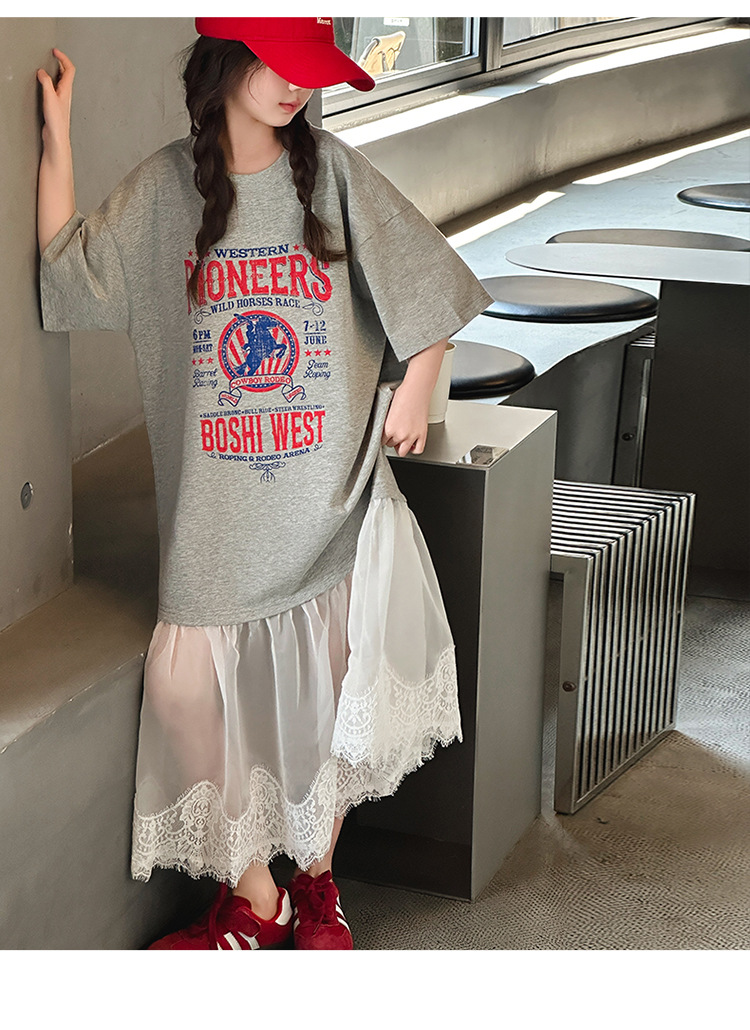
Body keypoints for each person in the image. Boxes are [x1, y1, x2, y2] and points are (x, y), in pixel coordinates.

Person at [37, 16, 492, 951]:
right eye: (279, 63)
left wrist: (419, 381)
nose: (296, 86)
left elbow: (430, 287)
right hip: (217, 518)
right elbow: (69, 273)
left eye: (308, 70)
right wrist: (56, 141)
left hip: (330, 504)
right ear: (226, 61)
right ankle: (260, 896)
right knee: (183, 694)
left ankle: (314, 885)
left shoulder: (332, 176)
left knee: (331, 701)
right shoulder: (165, 190)